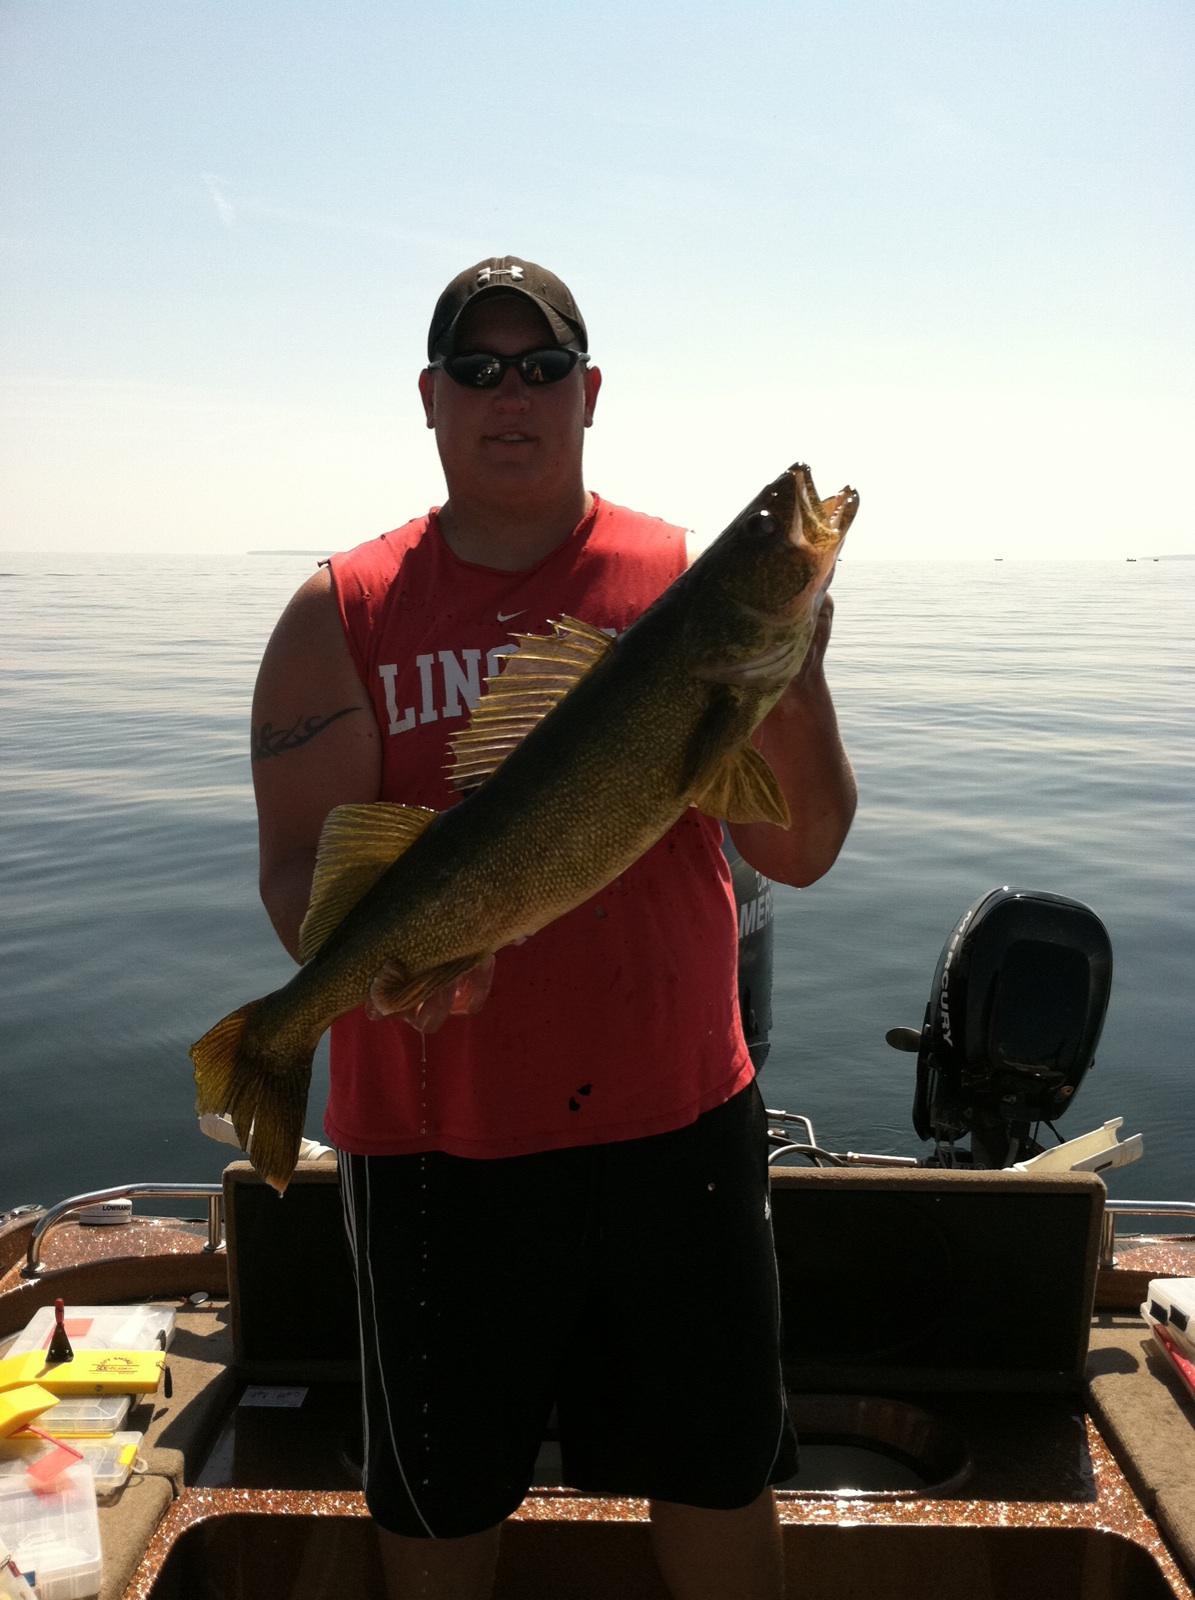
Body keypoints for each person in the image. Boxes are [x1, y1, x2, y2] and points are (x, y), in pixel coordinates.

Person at [250, 256, 857, 1600]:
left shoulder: (683, 582)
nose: (507, 393)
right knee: (440, 1502)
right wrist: (362, 968)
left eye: (538, 367)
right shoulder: (337, 614)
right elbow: (303, 873)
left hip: (681, 1132)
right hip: (434, 1151)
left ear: (589, 393)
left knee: (715, 1474)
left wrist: (798, 677)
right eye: (477, 367)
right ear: (430, 397)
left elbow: (800, 853)